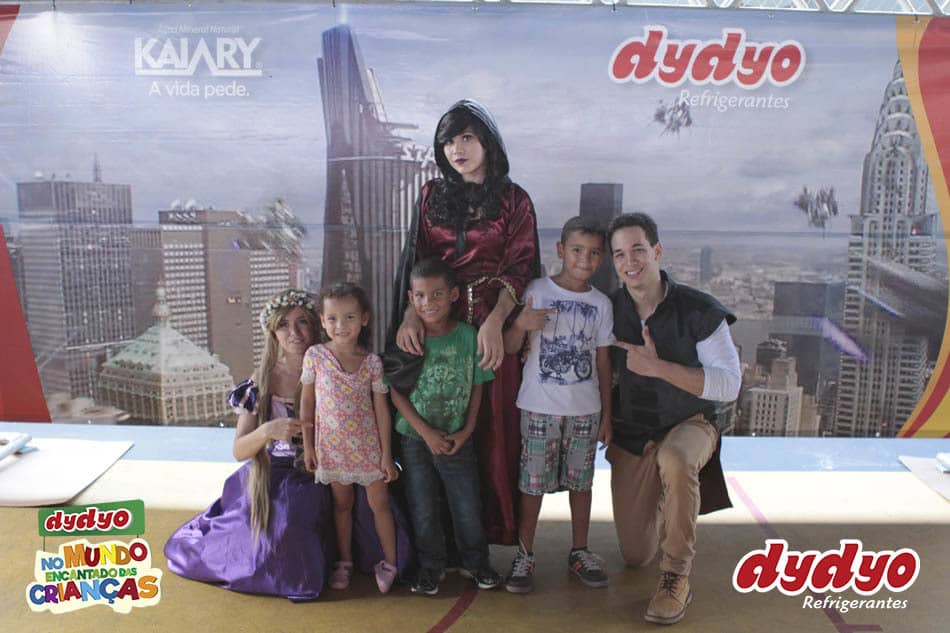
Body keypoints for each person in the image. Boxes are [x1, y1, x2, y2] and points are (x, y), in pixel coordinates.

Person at [164, 289, 410, 600]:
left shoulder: (336, 363)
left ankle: (372, 562)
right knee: (287, 518)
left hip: (337, 462)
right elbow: (239, 450)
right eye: (283, 325)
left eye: (302, 322)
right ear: (272, 331)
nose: (294, 333)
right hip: (281, 471)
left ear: (316, 325)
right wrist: (268, 430)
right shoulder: (262, 379)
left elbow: (377, 407)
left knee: (377, 514)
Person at [391, 99, 541, 546]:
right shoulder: (430, 195)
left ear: (487, 142)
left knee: (494, 427)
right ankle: (441, 544)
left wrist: (496, 322)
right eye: (448, 142)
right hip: (440, 317)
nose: (457, 149)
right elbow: (416, 258)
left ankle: (491, 535)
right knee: (437, 417)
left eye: (467, 138)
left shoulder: (514, 199)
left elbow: (521, 264)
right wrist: (410, 315)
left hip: (496, 321)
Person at [607, 213, 740, 625]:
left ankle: (675, 577)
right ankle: (668, 499)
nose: (630, 261)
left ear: (657, 251)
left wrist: (659, 368)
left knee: (677, 459)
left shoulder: (699, 310)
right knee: (635, 554)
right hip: (634, 433)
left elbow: (729, 384)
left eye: (638, 250)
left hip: (690, 422)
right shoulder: (608, 310)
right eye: (619, 254)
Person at [502, 216, 614, 594]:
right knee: (531, 484)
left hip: (586, 410)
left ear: (602, 259)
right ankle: (524, 554)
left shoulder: (601, 304)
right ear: (561, 250)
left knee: (582, 483)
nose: (585, 259)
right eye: (578, 250)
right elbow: (510, 347)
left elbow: (603, 363)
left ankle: (580, 550)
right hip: (538, 406)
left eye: (594, 253)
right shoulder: (536, 289)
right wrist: (520, 324)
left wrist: (607, 415)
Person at [390, 258, 502, 596]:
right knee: (423, 506)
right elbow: (394, 391)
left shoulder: (468, 336)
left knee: (466, 504)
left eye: (437, 294)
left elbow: (478, 384)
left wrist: (466, 431)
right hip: (415, 440)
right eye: (421, 296)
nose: (429, 303)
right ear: (411, 298)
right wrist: (425, 433)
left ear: (454, 295)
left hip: (456, 439)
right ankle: (431, 566)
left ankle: (477, 563)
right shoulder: (408, 338)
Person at [300, 283, 403, 594]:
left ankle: (390, 563)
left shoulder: (372, 363)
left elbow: (381, 409)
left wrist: (386, 455)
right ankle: (344, 561)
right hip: (332, 449)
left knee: (380, 504)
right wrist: (308, 445)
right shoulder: (315, 356)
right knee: (342, 505)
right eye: (332, 318)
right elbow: (307, 402)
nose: (340, 325)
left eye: (349, 317)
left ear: (364, 319)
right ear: (322, 320)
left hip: (369, 448)